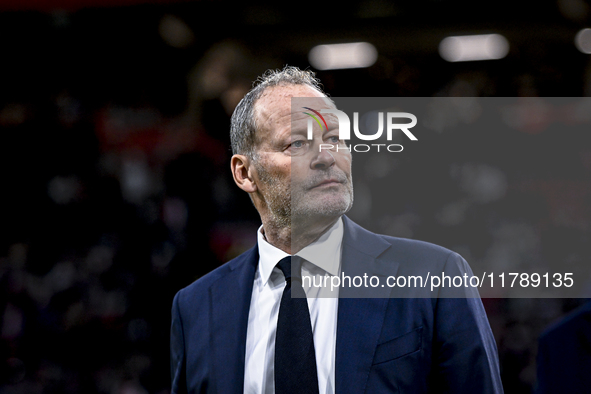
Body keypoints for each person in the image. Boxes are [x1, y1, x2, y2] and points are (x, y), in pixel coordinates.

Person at [170, 66, 503, 394]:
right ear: (244, 173)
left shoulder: (435, 277)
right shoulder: (196, 307)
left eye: (334, 138)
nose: (326, 156)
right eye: (297, 143)